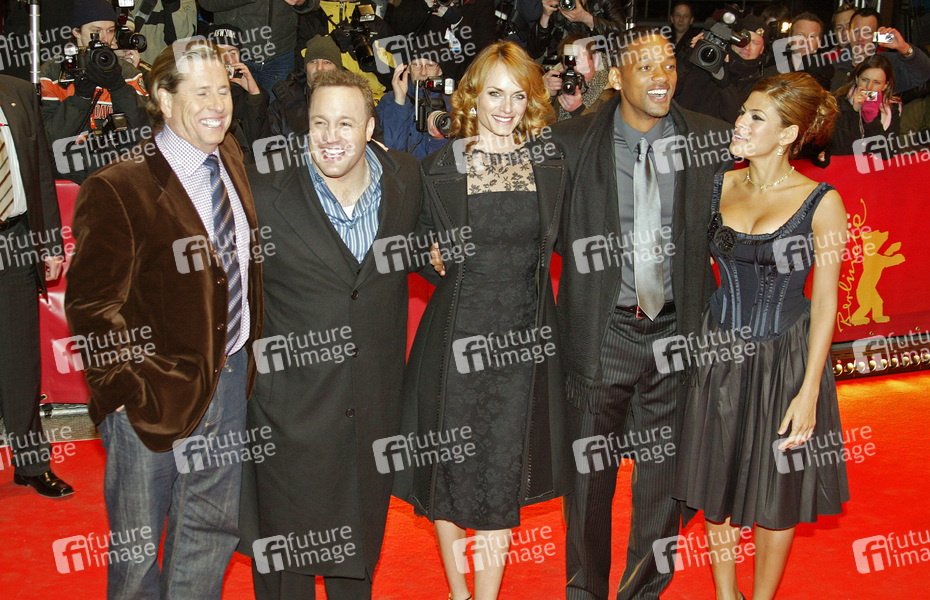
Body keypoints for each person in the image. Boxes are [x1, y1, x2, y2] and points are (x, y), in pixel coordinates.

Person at [64, 40, 263, 599]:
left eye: (223, 90)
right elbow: (91, 306)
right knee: (137, 558)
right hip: (148, 397)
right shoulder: (117, 186)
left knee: (209, 539)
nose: (218, 104)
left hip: (229, 383)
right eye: (201, 92)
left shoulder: (231, 157)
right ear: (164, 98)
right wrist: (126, 389)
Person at [551, 28, 733, 600]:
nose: (662, 77)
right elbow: (543, 231)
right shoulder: (570, 142)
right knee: (588, 482)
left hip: (678, 332)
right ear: (616, 77)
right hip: (602, 331)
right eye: (646, 66)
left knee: (664, 484)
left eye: (669, 64)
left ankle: (643, 592)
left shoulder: (710, 138)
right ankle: (586, 592)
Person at [237, 69, 423, 600]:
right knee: (286, 570)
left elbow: (432, 253)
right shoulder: (264, 191)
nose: (331, 137)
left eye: (345, 123)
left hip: (371, 412)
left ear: (370, 128)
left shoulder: (405, 179)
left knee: (357, 560)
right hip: (287, 416)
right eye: (319, 123)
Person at [394, 40, 571, 600]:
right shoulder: (441, 166)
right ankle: (459, 592)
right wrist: (427, 254)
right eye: (495, 94)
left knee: (500, 472)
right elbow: (411, 240)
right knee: (448, 472)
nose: (506, 108)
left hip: (523, 342)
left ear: (532, 101)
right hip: (455, 338)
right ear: (473, 96)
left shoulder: (550, 165)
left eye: (518, 96)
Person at [674, 71, 849, 600]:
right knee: (717, 484)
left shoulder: (822, 202)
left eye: (756, 117)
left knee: (778, 492)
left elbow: (826, 300)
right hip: (719, 355)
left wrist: (810, 390)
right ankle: (726, 595)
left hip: (786, 362)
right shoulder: (718, 185)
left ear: (789, 134)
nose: (740, 124)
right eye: (742, 113)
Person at [0, 75, 72, 499]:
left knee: (20, 363)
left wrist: (50, 245)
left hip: (15, 240)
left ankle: (31, 464)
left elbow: (42, 171)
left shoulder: (19, 94)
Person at [39, 0, 149, 183]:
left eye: (110, 31)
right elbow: (49, 141)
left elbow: (145, 135)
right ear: (76, 32)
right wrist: (81, 97)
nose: (105, 39)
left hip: (119, 174)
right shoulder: (53, 73)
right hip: (68, 174)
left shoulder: (127, 73)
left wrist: (119, 88)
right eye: (96, 32)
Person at [199, 0, 318, 101]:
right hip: (235, 55)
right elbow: (206, 3)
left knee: (277, 117)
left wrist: (302, 1)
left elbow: (314, 3)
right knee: (229, 116)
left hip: (281, 55)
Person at [675, 13, 768, 124]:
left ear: (762, 49)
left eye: (755, 43)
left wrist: (726, 86)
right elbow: (669, 91)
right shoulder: (706, 58)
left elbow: (742, 121)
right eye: (743, 41)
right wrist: (686, 60)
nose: (748, 47)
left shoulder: (759, 86)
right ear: (732, 40)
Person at [204, 23, 271, 163]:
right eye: (220, 53)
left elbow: (258, 144)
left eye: (233, 52)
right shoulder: (197, 92)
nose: (228, 59)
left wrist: (254, 96)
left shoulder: (252, 93)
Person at [829, 8, 930, 94]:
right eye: (856, 31)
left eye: (867, 32)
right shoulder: (833, 69)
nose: (860, 38)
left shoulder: (889, 65)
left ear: (877, 35)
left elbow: (924, 73)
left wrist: (904, 48)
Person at [267, 34, 343, 138]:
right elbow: (269, 146)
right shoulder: (282, 107)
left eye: (327, 62)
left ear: (338, 69)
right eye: (313, 62)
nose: (319, 68)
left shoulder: (354, 102)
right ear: (306, 68)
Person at [377, 52, 450, 159]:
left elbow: (447, 161)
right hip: (397, 167)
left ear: (440, 70)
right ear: (408, 69)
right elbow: (389, 150)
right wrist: (399, 103)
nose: (423, 72)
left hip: (429, 168)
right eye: (416, 65)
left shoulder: (452, 105)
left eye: (430, 65)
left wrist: (437, 139)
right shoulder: (389, 100)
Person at [829, 55, 901, 157]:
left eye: (877, 82)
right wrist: (854, 112)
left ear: (885, 86)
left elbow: (889, 153)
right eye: (865, 80)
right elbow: (838, 150)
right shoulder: (837, 103)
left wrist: (870, 119)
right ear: (857, 79)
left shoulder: (891, 108)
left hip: (873, 165)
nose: (869, 87)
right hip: (845, 163)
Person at [527, 0, 626, 68]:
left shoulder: (602, 2)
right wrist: (545, 15)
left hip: (597, 64)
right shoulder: (556, 4)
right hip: (561, 66)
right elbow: (534, 51)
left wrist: (587, 18)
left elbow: (623, 35)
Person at [543, 34, 609, 121]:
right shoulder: (561, 85)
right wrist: (546, 96)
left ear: (595, 60)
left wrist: (579, 110)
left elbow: (604, 128)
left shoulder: (611, 94)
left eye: (577, 62)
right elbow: (539, 123)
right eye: (569, 65)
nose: (574, 71)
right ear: (562, 66)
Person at [765, 12, 834, 90]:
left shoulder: (834, 78)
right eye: (800, 35)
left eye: (812, 36)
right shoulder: (770, 77)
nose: (805, 41)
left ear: (819, 43)